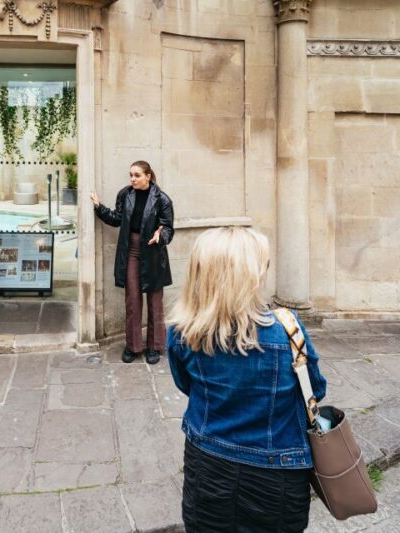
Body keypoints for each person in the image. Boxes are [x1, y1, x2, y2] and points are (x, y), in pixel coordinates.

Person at [167, 227, 327, 532]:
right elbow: (315, 390)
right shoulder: (288, 330)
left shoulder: (183, 332)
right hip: (278, 473)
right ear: (248, 276)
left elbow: (185, 385)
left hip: (208, 464)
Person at [91, 161, 174, 364]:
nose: (132, 179)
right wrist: (99, 207)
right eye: (131, 175)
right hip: (132, 251)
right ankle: (133, 346)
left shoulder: (162, 199)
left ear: (148, 176)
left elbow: (169, 228)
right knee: (132, 301)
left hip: (154, 253)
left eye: (137, 175)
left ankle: (154, 347)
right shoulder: (125, 194)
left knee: (155, 302)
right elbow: (117, 218)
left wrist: (160, 235)